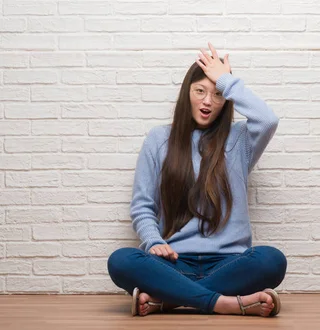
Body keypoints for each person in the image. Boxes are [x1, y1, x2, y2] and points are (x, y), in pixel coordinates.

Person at [107, 43, 287, 317]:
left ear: (226, 99)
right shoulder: (159, 139)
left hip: (230, 263)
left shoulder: (239, 140)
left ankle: (168, 300)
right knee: (121, 261)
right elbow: (143, 205)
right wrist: (154, 241)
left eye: (217, 94)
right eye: (199, 91)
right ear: (186, 94)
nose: (207, 101)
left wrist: (226, 80)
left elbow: (267, 120)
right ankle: (225, 303)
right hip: (174, 262)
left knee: (272, 260)